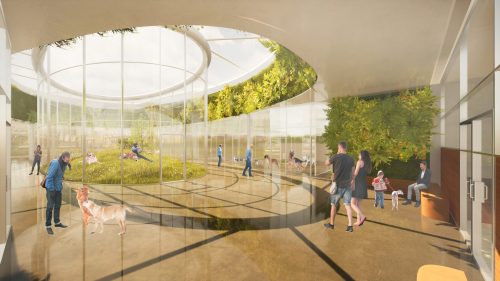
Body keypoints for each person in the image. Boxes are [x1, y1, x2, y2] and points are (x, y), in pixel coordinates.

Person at [324, 141, 355, 232]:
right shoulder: (350, 158)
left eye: (338, 147)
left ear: (340, 148)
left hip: (337, 186)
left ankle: (331, 224)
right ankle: (350, 226)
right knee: (348, 205)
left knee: (333, 205)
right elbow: (353, 172)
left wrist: (335, 155)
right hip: (347, 186)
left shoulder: (336, 156)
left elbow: (326, 163)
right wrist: (352, 181)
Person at [45, 151, 71, 235]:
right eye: (67, 159)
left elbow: (59, 175)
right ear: (63, 157)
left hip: (58, 188)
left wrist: (61, 181)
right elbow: (49, 177)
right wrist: (52, 190)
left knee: (57, 206)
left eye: (69, 159)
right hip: (51, 188)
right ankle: (48, 225)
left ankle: (57, 222)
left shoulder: (64, 164)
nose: (68, 161)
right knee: (50, 207)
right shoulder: (56, 163)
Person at [351, 150, 371, 226]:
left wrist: (351, 179)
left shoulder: (359, 162)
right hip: (363, 184)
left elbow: (355, 173)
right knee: (358, 204)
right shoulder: (367, 164)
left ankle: (362, 216)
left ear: (362, 155)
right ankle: (359, 221)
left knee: (352, 203)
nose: (358, 156)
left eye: (359, 154)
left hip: (358, 184)